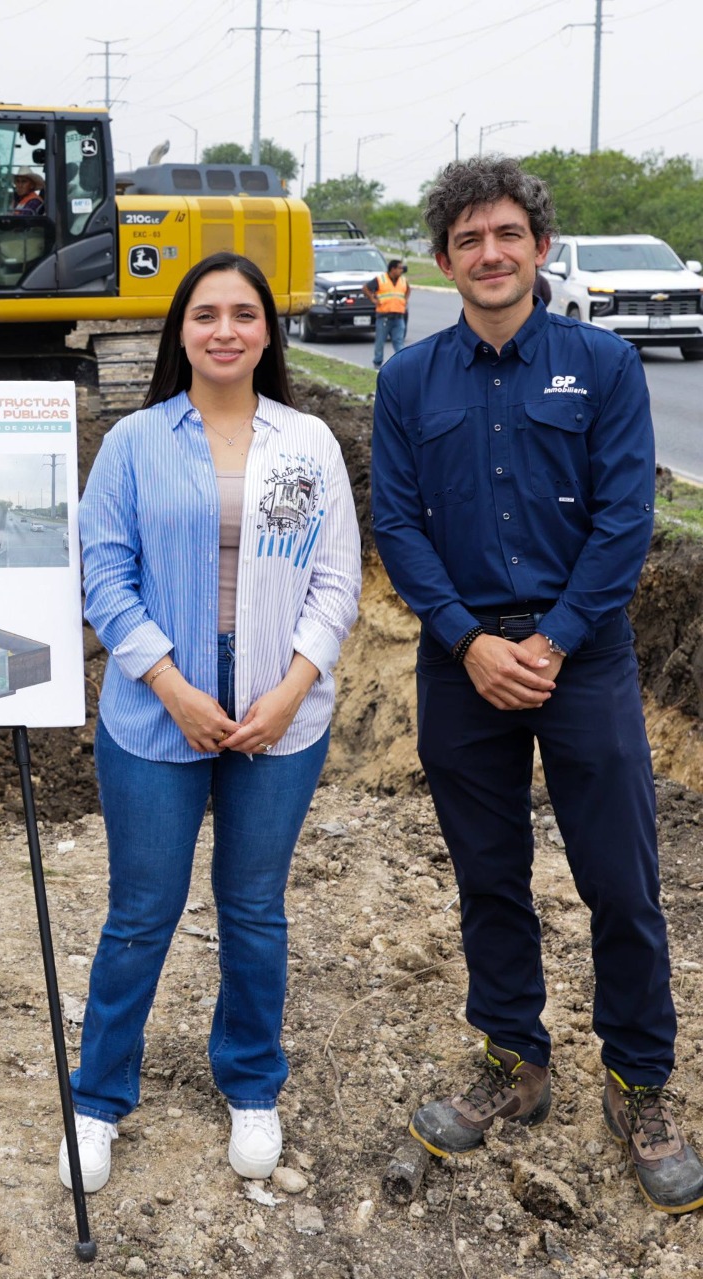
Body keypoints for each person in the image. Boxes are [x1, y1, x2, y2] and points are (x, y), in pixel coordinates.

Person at [371, 155, 703, 1214]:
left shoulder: (601, 367)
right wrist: (468, 641)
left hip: (582, 656)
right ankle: (513, 1060)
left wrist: (551, 643)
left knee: (621, 880)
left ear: (539, 247)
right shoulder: (405, 381)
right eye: (467, 239)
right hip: (461, 660)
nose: (489, 253)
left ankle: (639, 1082)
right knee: (489, 875)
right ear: (442, 260)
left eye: (505, 233)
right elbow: (397, 526)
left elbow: (622, 520)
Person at [67, 251, 361, 1192]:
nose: (224, 329)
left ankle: (251, 1082)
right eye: (205, 314)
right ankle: (99, 1096)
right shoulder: (134, 442)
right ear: (180, 331)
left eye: (243, 313)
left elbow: (336, 580)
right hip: (159, 713)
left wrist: (289, 689)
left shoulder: (307, 441)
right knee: (142, 912)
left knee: (253, 910)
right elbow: (102, 575)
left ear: (268, 330)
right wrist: (171, 683)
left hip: (281, 718)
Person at [363, 257, 409, 368]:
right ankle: (377, 364)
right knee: (380, 342)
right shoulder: (381, 279)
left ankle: (402, 364)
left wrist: (404, 301)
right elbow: (366, 288)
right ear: (393, 269)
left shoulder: (403, 280)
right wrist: (373, 299)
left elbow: (408, 290)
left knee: (399, 342)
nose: (401, 270)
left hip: (398, 317)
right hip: (384, 317)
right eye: (399, 268)